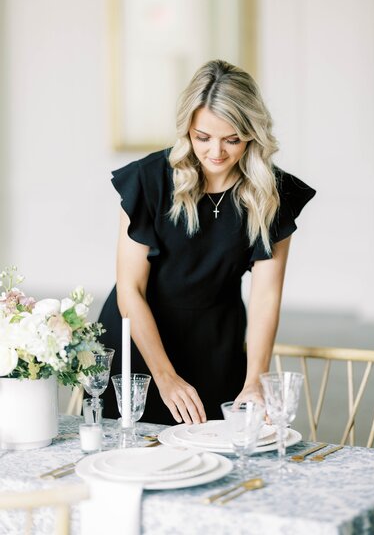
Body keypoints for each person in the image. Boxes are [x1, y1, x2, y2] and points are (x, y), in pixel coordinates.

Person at [99, 59, 316, 426]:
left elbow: (265, 297)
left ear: (252, 134)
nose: (216, 152)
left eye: (232, 139)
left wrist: (254, 381)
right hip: (139, 339)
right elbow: (130, 290)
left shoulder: (274, 194)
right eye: (203, 138)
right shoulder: (148, 181)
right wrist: (164, 378)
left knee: (217, 457)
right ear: (187, 130)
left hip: (217, 342)